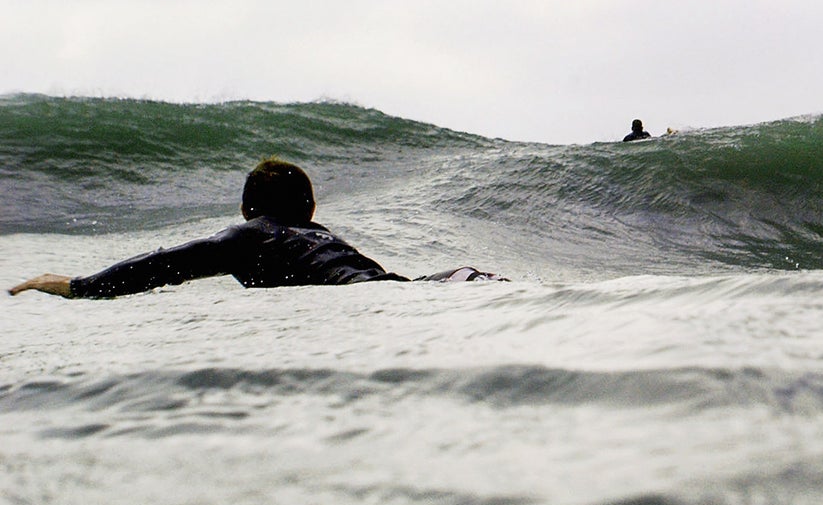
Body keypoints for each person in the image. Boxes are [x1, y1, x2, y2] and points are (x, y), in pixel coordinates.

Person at [8, 158, 503, 299]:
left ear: (247, 209)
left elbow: (163, 265)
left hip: (372, 304)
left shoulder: (252, 236)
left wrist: (76, 286)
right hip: (406, 290)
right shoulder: (320, 235)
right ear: (310, 208)